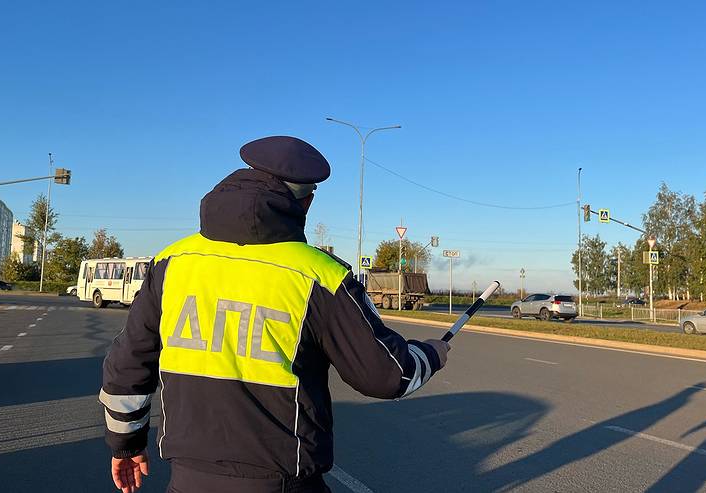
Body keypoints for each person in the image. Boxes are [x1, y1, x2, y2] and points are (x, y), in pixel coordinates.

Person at [100, 136, 451, 493]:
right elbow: (386, 376)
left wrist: (125, 443)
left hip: (187, 480)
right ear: (306, 202)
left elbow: (128, 363)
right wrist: (432, 354)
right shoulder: (319, 275)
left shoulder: (171, 262)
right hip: (282, 483)